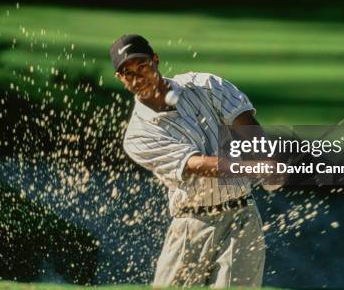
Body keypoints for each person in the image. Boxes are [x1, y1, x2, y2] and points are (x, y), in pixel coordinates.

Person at [110, 34, 276, 287]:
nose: (137, 77)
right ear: (120, 78)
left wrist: (266, 160)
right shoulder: (137, 136)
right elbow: (196, 165)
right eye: (127, 73)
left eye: (142, 65)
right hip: (190, 224)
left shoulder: (204, 84)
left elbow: (243, 120)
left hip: (241, 218)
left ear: (156, 60)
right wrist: (253, 168)